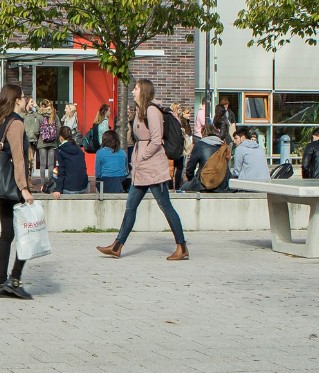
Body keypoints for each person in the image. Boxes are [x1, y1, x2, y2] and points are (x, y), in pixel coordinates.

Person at [95, 81, 189, 262]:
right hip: (142, 169)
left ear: (143, 91)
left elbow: (156, 139)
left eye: (136, 88)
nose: (133, 91)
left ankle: (182, 246)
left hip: (153, 167)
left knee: (165, 206)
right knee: (131, 206)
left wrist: (143, 156)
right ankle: (117, 246)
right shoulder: (140, 111)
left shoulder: (152, 111)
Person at [0, 84, 38, 298]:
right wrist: (24, 188)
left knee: (7, 235)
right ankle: (13, 280)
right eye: (23, 97)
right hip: (14, 187)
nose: (25, 100)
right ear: (16, 100)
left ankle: (1, 284)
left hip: (6, 187)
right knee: (26, 234)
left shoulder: (4, 121)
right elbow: (18, 158)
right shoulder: (16, 124)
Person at [181, 126, 224, 191]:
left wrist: (192, 180)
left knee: (183, 187)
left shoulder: (199, 145)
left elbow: (190, 168)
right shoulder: (223, 146)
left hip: (203, 184)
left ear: (203, 134)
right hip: (221, 183)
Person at [52, 126, 89, 196]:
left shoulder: (60, 150)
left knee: (54, 174)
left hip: (69, 187)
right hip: (82, 186)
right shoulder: (79, 149)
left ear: (60, 137)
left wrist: (58, 189)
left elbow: (61, 171)